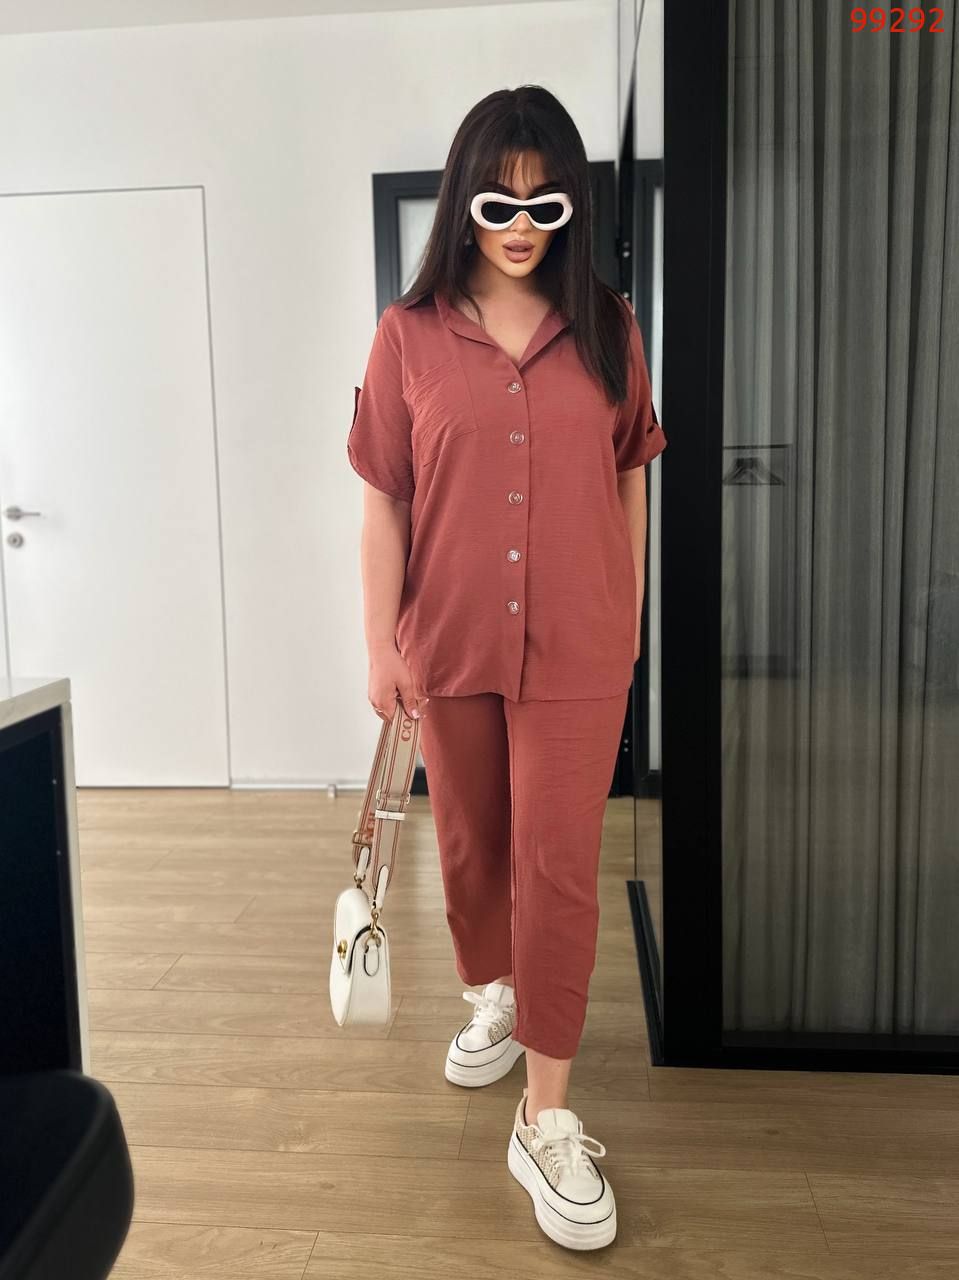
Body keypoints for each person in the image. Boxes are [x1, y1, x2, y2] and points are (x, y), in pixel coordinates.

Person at [346, 85, 667, 1252]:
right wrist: (379, 638)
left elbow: (629, 472)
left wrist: (627, 618)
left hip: (577, 643)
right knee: (474, 846)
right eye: (496, 202)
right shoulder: (407, 335)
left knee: (558, 864)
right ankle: (494, 988)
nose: (520, 224)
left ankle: (545, 1115)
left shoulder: (609, 327)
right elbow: (384, 499)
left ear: (573, 206)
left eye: (544, 203)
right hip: (451, 639)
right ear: (462, 204)